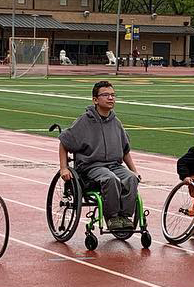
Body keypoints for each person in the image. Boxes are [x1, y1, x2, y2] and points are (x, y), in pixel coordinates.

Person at [58, 81, 140, 231]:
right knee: (110, 179)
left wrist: (134, 170)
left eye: (113, 95)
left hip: (114, 165)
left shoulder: (116, 122)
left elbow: (125, 150)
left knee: (131, 178)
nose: (110, 98)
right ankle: (112, 217)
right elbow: (64, 142)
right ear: (95, 100)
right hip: (91, 166)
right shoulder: (84, 121)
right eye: (106, 95)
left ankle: (125, 216)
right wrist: (64, 168)